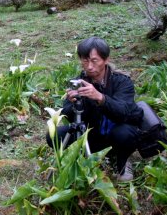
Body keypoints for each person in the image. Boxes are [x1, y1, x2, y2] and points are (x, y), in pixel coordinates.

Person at [47, 37, 143, 182]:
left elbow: (123, 112)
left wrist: (100, 97)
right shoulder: (79, 82)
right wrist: (74, 103)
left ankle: (122, 161)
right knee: (54, 136)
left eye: (94, 60)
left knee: (124, 134)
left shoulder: (122, 81)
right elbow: (68, 115)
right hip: (93, 133)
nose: (89, 66)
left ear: (106, 59)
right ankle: (85, 157)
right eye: (85, 61)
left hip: (116, 132)